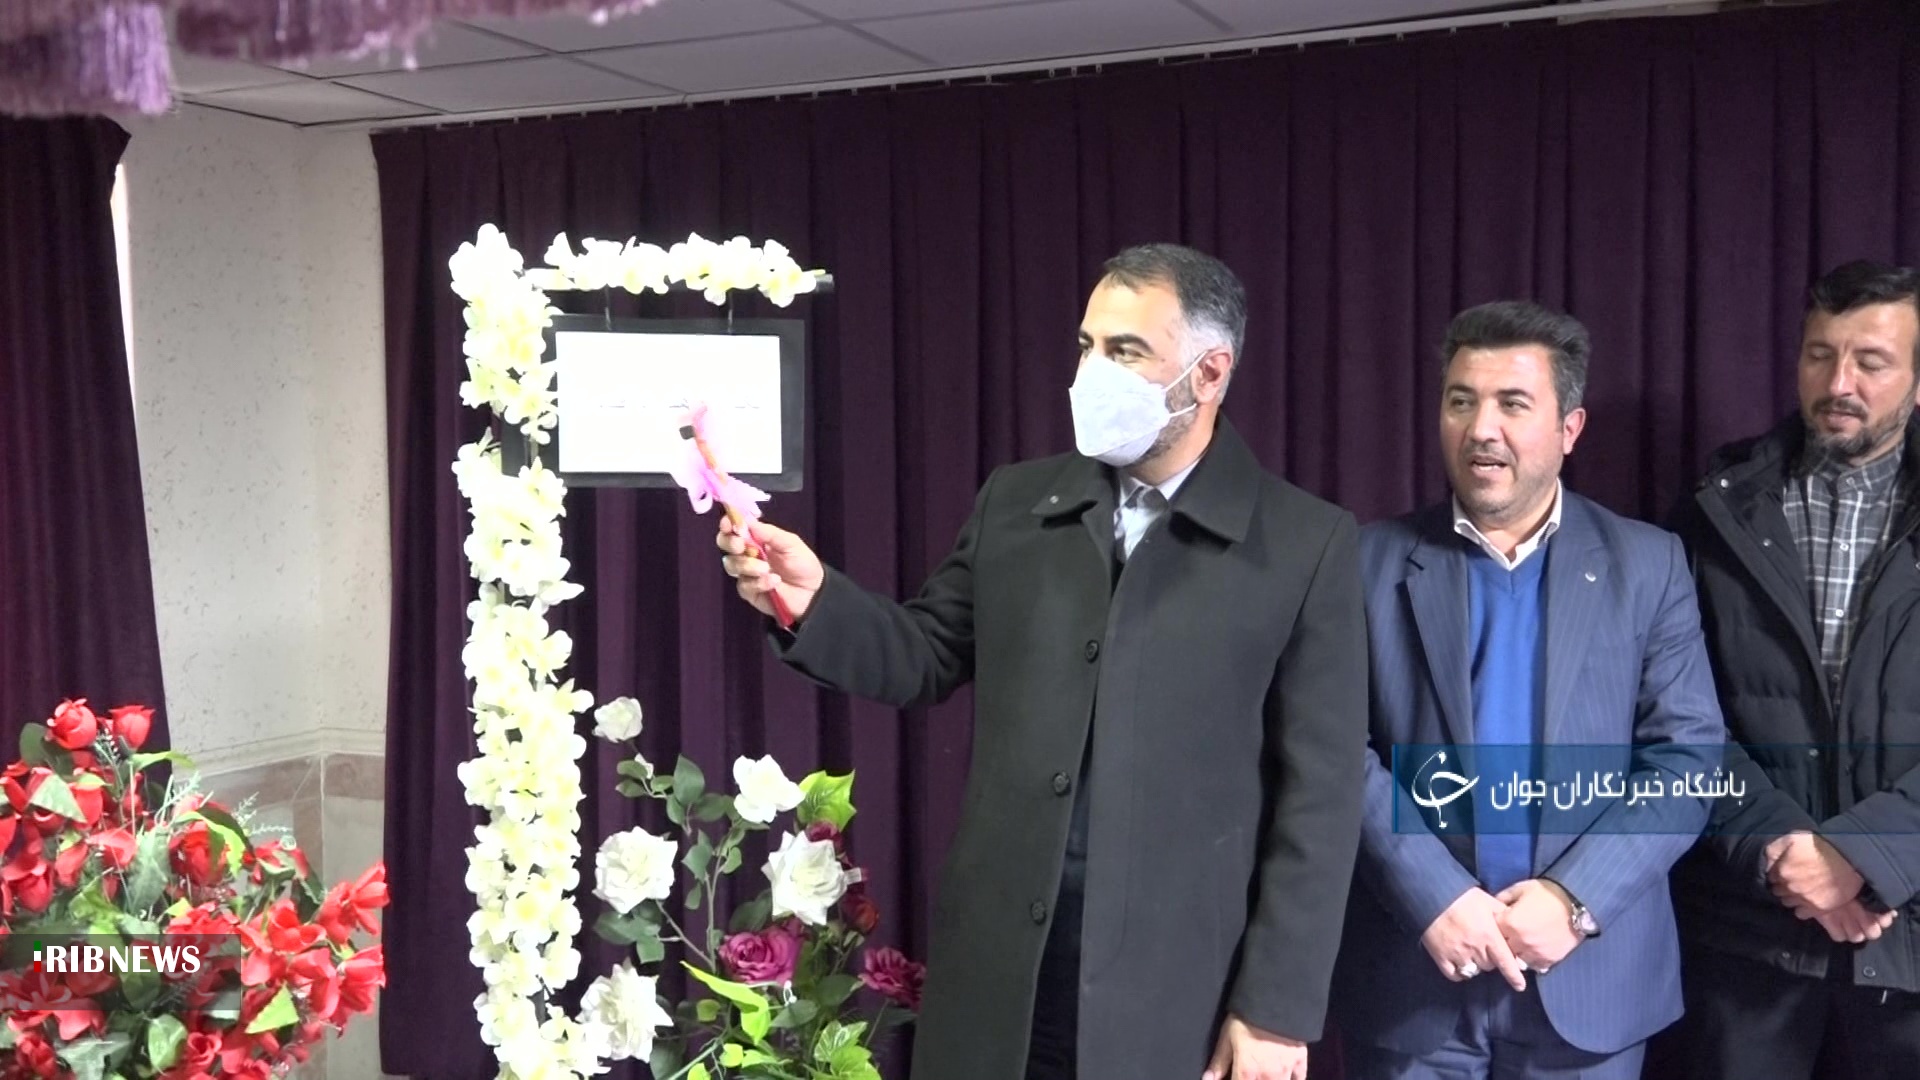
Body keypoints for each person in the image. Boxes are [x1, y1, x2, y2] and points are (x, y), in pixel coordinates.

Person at [717, 243, 1368, 1080]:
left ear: (1209, 374)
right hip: (1002, 972)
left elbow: (1322, 799)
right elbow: (926, 653)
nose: (1093, 373)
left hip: (1177, 989)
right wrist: (814, 601)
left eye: (1126, 351)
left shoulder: (1305, 544)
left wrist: (1275, 1011)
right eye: (1087, 345)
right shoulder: (1018, 502)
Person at [1329, 301, 1726, 1079]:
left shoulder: (1649, 566)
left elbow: (1687, 761)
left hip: (1589, 987)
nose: (1482, 429)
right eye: (1461, 400)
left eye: (1513, 404)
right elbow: (1335, 749)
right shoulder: (1362, 562)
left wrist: (1575, 899)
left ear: (1570, 429)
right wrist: (1433, 895)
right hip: (1414, 981)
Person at [1653, 260, 1920, 1080]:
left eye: (1871, 362)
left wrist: (1866, 856)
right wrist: (1779, 848)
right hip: (1749, 944)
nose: (1839, 383)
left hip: (1909, 940)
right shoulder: (1716, 506)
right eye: (1819, 354)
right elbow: (1674, 714)